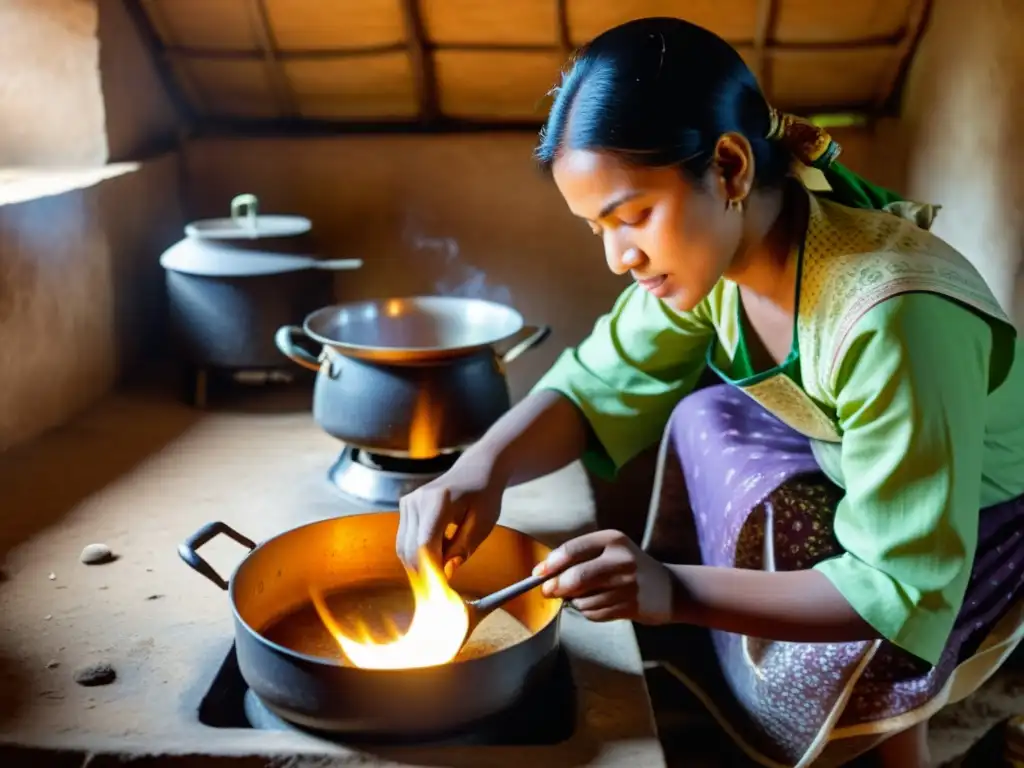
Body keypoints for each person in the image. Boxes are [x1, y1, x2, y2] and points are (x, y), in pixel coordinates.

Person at [396, 16, 1024, 768]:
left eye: (631, 217)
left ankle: (898, 744)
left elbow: (897, 584)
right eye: (596, 227)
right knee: (703, 415)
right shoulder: (725, 254)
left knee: (878, 648)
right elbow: (600, 379)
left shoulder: (891, 317)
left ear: (728, 168)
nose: (618, 257)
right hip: (851, 453)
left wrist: (672, 591)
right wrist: (478, 470)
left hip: (975, 510)